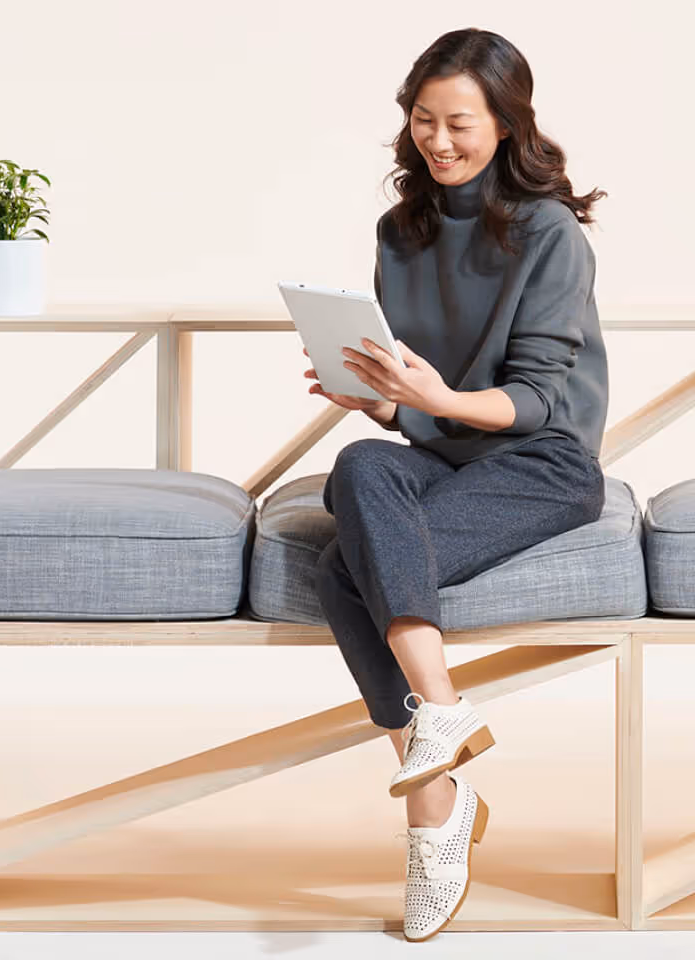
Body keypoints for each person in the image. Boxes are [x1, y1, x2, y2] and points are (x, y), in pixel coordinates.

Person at [304, 27, 609, 943]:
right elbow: (419, 408)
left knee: (338, 572)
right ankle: (442, 717)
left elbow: (537, 400)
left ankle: (433, 811)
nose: (440, 141)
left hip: (541, 462)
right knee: (359, 464)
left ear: (507, 125)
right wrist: (381, 401)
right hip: (439, 451)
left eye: (460, 124)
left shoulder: (551, 233)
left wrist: (436, 397)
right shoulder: (399, 232)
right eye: (424, 121)